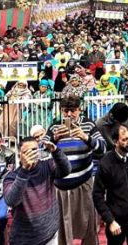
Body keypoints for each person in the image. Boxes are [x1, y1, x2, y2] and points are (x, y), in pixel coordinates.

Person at [46, 95, 106, 245]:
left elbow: (103, 149)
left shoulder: (88, 125)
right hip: (60, 188)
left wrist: (86, 138)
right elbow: (41, 151)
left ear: (80, 110)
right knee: (63, 229)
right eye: (65, 111)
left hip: (83, 185)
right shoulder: (55, 127)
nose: (69, 115)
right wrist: (54, 139)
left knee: (89, 226)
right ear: (61, 111)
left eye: (73, 111)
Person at [3, 136, 71, 245]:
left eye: (34, 150)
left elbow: (66, 170)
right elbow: (11, 200)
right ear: (20, 155)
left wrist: (56, 151)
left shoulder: (47, 165)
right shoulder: (12, 177)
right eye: (27, 152)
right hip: (25, 239)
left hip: (50, 233)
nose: (32, 154)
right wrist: (25, 170)